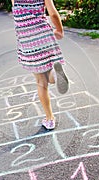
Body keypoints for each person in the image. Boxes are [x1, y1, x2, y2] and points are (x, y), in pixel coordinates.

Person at [11, 0, 69, 130]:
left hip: (27, 40)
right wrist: (59, 30)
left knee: (41, 82)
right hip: (44, 35)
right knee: (50, 72)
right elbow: (52, 13)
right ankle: (55, 73)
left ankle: (49, 119)